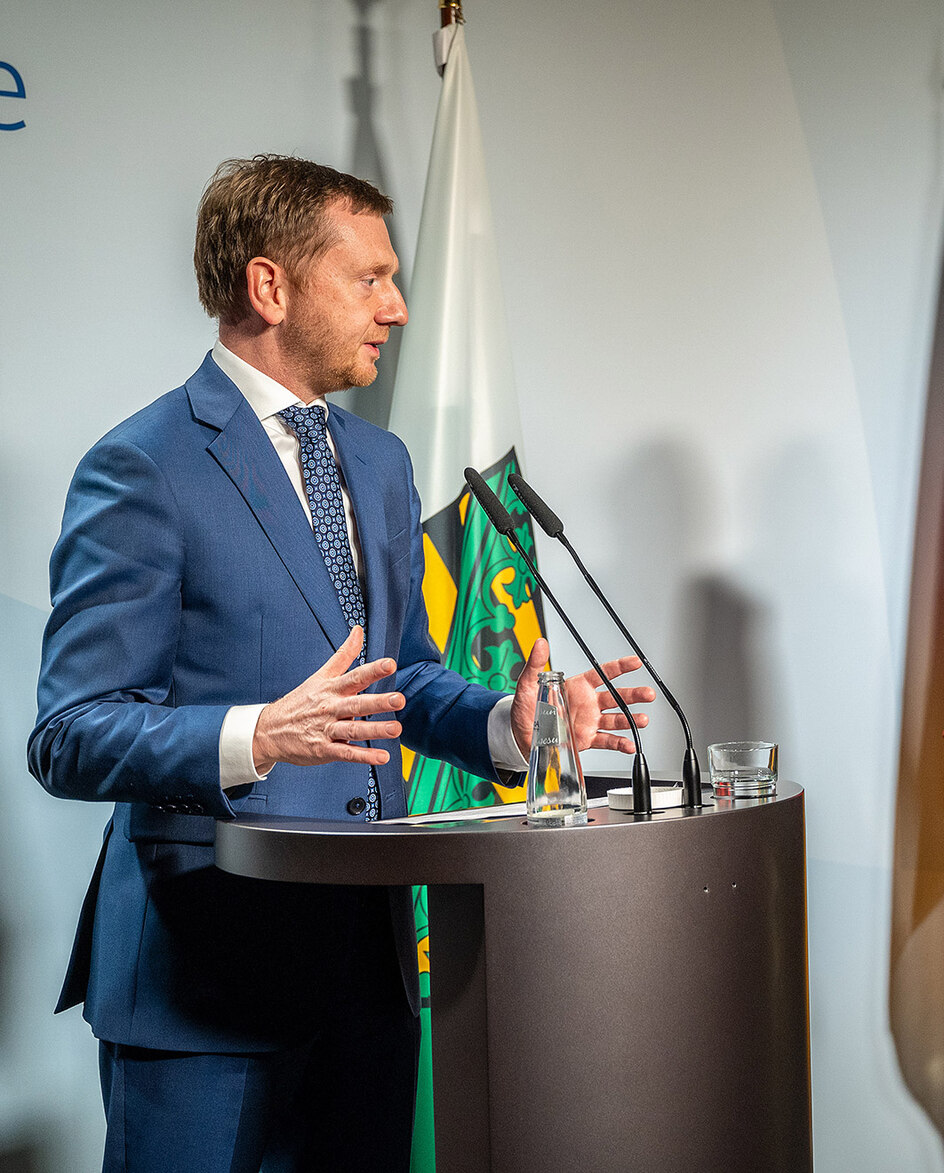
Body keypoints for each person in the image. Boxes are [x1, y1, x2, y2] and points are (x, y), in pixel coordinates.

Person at [28, 155, 654, 1173]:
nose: (397, 307)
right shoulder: (144, 465)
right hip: (204, 989)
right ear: (269, 286)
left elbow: (397, 676)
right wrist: (254, 736)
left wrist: (510, 722)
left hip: (365, 981)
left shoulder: (377, 461)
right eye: (367, 279)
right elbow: (70, 733)